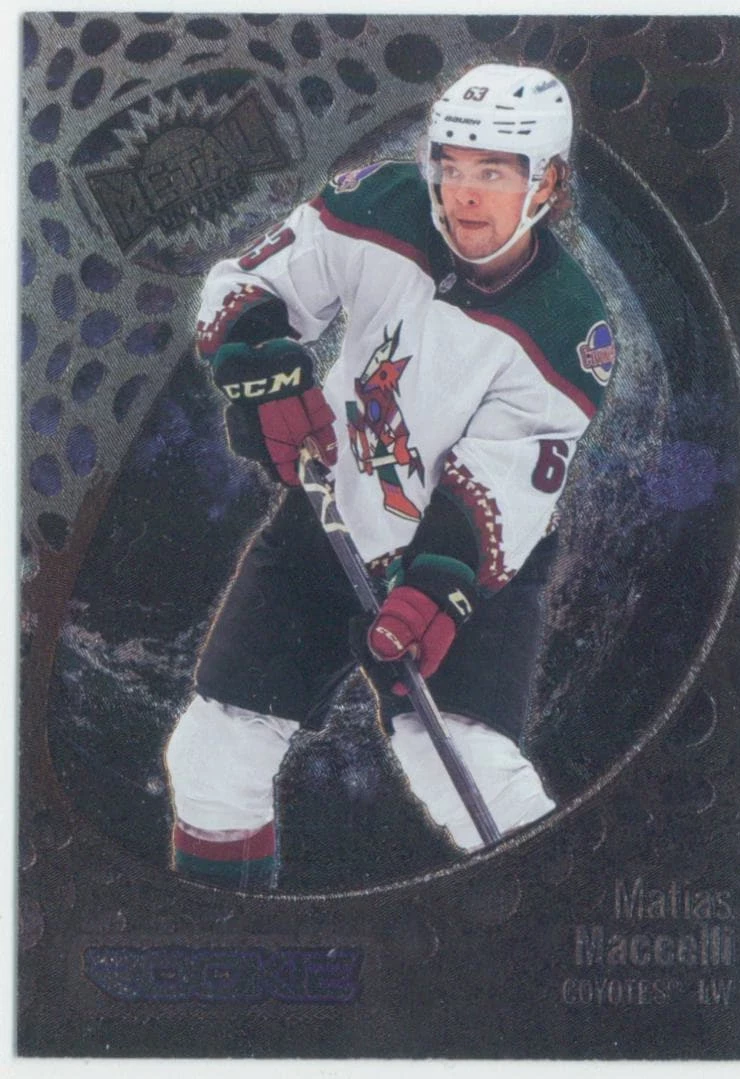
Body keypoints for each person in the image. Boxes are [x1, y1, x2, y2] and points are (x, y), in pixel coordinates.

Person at [164, 63, 616, 889]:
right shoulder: (380, 203)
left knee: (466, 769)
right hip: (330, 513)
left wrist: (435, 587)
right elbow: (248, 284)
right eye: (452, 164)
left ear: (547, 183)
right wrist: (266, 370)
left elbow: (501, 485)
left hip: (463, 560)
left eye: (494, 172)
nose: (464, 193)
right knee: (213, 754)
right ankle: (222, 940)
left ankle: (557, 923)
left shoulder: (570, 327)